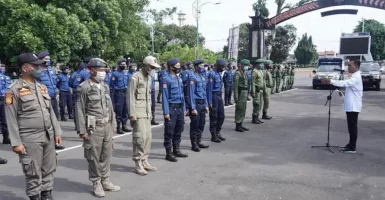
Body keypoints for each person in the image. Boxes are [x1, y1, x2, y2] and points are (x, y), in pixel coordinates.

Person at [5, 53, 63, 200]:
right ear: (24, 68)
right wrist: (16, 142)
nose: (39, 68)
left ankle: (47, 195)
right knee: (33, 171)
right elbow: (10, 117)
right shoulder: (13, 90)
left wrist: (57, 131)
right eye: (35, 66)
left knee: (49, 168)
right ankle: (35, 196)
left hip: (47, 135)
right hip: (30, 138)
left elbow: (50, 113)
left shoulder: (41, 87)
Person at [75, 58, 120, 197]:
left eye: (104, 71)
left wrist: (113, 123)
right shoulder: (84, 87)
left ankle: (105, 180)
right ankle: (96, 183)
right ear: (91, 70)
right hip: (93, 127)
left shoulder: (105, 86)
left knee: (106, 155)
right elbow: (79, 110)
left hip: (106, 125)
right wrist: (82, 130)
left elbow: (110, 106)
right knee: (93, 157)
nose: (103, 73)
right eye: (100, 70)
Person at [127, 56, 160, 175]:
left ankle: (145, 160)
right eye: (151, 67)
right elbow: (130, 96)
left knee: (147, 138)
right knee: (139, 138)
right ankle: (137, 163)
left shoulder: (149, 78)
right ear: (145, 65)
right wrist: (132, 114)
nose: (152, 69)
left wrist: (150, 113)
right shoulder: (135, 78)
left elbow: (148, 97)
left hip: (146, 112)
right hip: (138, 113)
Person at [321, 60, 363, 153]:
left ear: (356, 66)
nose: (348, 67)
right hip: (351, 106)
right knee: (350, 126)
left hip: (353, 106)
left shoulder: (356, 77)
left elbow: (344, 83)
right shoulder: (354, 76)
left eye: (350, 65)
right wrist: (343, 96)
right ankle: (350, 144)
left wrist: (330, 81)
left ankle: (352, 147)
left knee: (352, 126)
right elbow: (350, 90)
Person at [162, 58, 188, 162]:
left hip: (180, 108)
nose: (178, 68)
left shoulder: (179, 78)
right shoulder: (166, 79)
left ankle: (176, 150)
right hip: (171, 108)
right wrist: (166, 112)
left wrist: (185, 108)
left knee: (179, 130)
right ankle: (168, 153)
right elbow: (164, 96)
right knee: (169, 132)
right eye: (177, 66)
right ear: (171, 67)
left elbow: (182, 95)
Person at [37, 52, 64, 150]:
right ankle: (47, 143)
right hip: (44, 100)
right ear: (40, 60)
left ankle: (55, 142)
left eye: (49, 58)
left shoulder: (51, 70)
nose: (48, 60)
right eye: (46, 58)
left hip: (53, 98)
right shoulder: (37, 72)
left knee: (55, 120)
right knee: (46, 122)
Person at [187, 59, 210, 152]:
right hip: (196, 104)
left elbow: (204, 93)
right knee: (194, 125)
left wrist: (206, 105)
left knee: (202, 123)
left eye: (203, 66)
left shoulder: (202, 77)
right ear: (196, 66)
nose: (203, 67)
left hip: (202, 104)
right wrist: (192, 108)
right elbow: (190, 94)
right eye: (201, 66)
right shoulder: (192, 77)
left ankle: (198, 141)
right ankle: (194, 144)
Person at [207, 59, 227, 143]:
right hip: (214, 96)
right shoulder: (211, 74)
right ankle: (213, 135)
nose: (223, 68)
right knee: (214, 117)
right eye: (221, 66)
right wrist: (210, 101)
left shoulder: (218, 73)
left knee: (221, 116)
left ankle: (218, 132)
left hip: (219, 96)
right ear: (217, 65)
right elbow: (209, 89)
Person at [110, 58, 131, 134]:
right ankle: (118, 127)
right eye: (122, 65)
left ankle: (124, 125)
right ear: (119, 65)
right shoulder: (115, 74)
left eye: (124, 64)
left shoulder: (126, 73)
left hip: (126, 92)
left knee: (125, 110)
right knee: (119, 110)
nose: (124, 66)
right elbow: (112, 85)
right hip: (118, 93)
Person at [69, 61, 91, 132]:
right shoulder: (85, 73)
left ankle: (77, 125)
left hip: (76, 91)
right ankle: (83, 125)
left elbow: (70, 83)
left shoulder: (74, 73)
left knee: (77, 109)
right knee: (84, 108)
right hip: (82, 91)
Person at [234, 59, 250, 132]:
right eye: (245, 65)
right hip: (240, 93)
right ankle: (237, 125)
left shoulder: (244, 73)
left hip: (244, 93)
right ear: (242, 65)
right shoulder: (238, 73)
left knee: (243, 109)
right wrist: (236, 97)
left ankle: (241, 124)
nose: (246, 67)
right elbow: (236, 86)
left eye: (247, 65)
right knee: (239, 109)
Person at [0, 65, 11, 144]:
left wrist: (9, 103)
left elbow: (8, 90)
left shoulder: (6, 78)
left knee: (5, 120)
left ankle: (6, 137)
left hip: (3, 99)